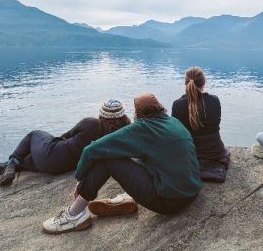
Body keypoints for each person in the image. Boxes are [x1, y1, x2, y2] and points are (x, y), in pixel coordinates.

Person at [42, 93, 202, 234]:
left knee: (108, 159)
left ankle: (74, 215)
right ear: (160, 108)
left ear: (138, 113)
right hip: (191, 192)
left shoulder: (142, 128)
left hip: (168, 202)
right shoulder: (174, 122)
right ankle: (129, 195)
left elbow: (91, 150)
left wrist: (79, 180)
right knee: (139, 153)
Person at [0, 99, 131, 186]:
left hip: (53, 154)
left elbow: (64, 136)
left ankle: (11, 162)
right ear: (123, 116)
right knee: (26, 161)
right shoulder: (123, 135)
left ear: (101, 114)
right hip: (61, 168)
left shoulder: (91, 123)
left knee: (34, 134)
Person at [171, 67, 230, 182]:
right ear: (204, 82)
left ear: (185, 83)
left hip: (190, 154)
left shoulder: (177, 105)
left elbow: (176, 133)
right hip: (216, 152)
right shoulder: (214, 100)